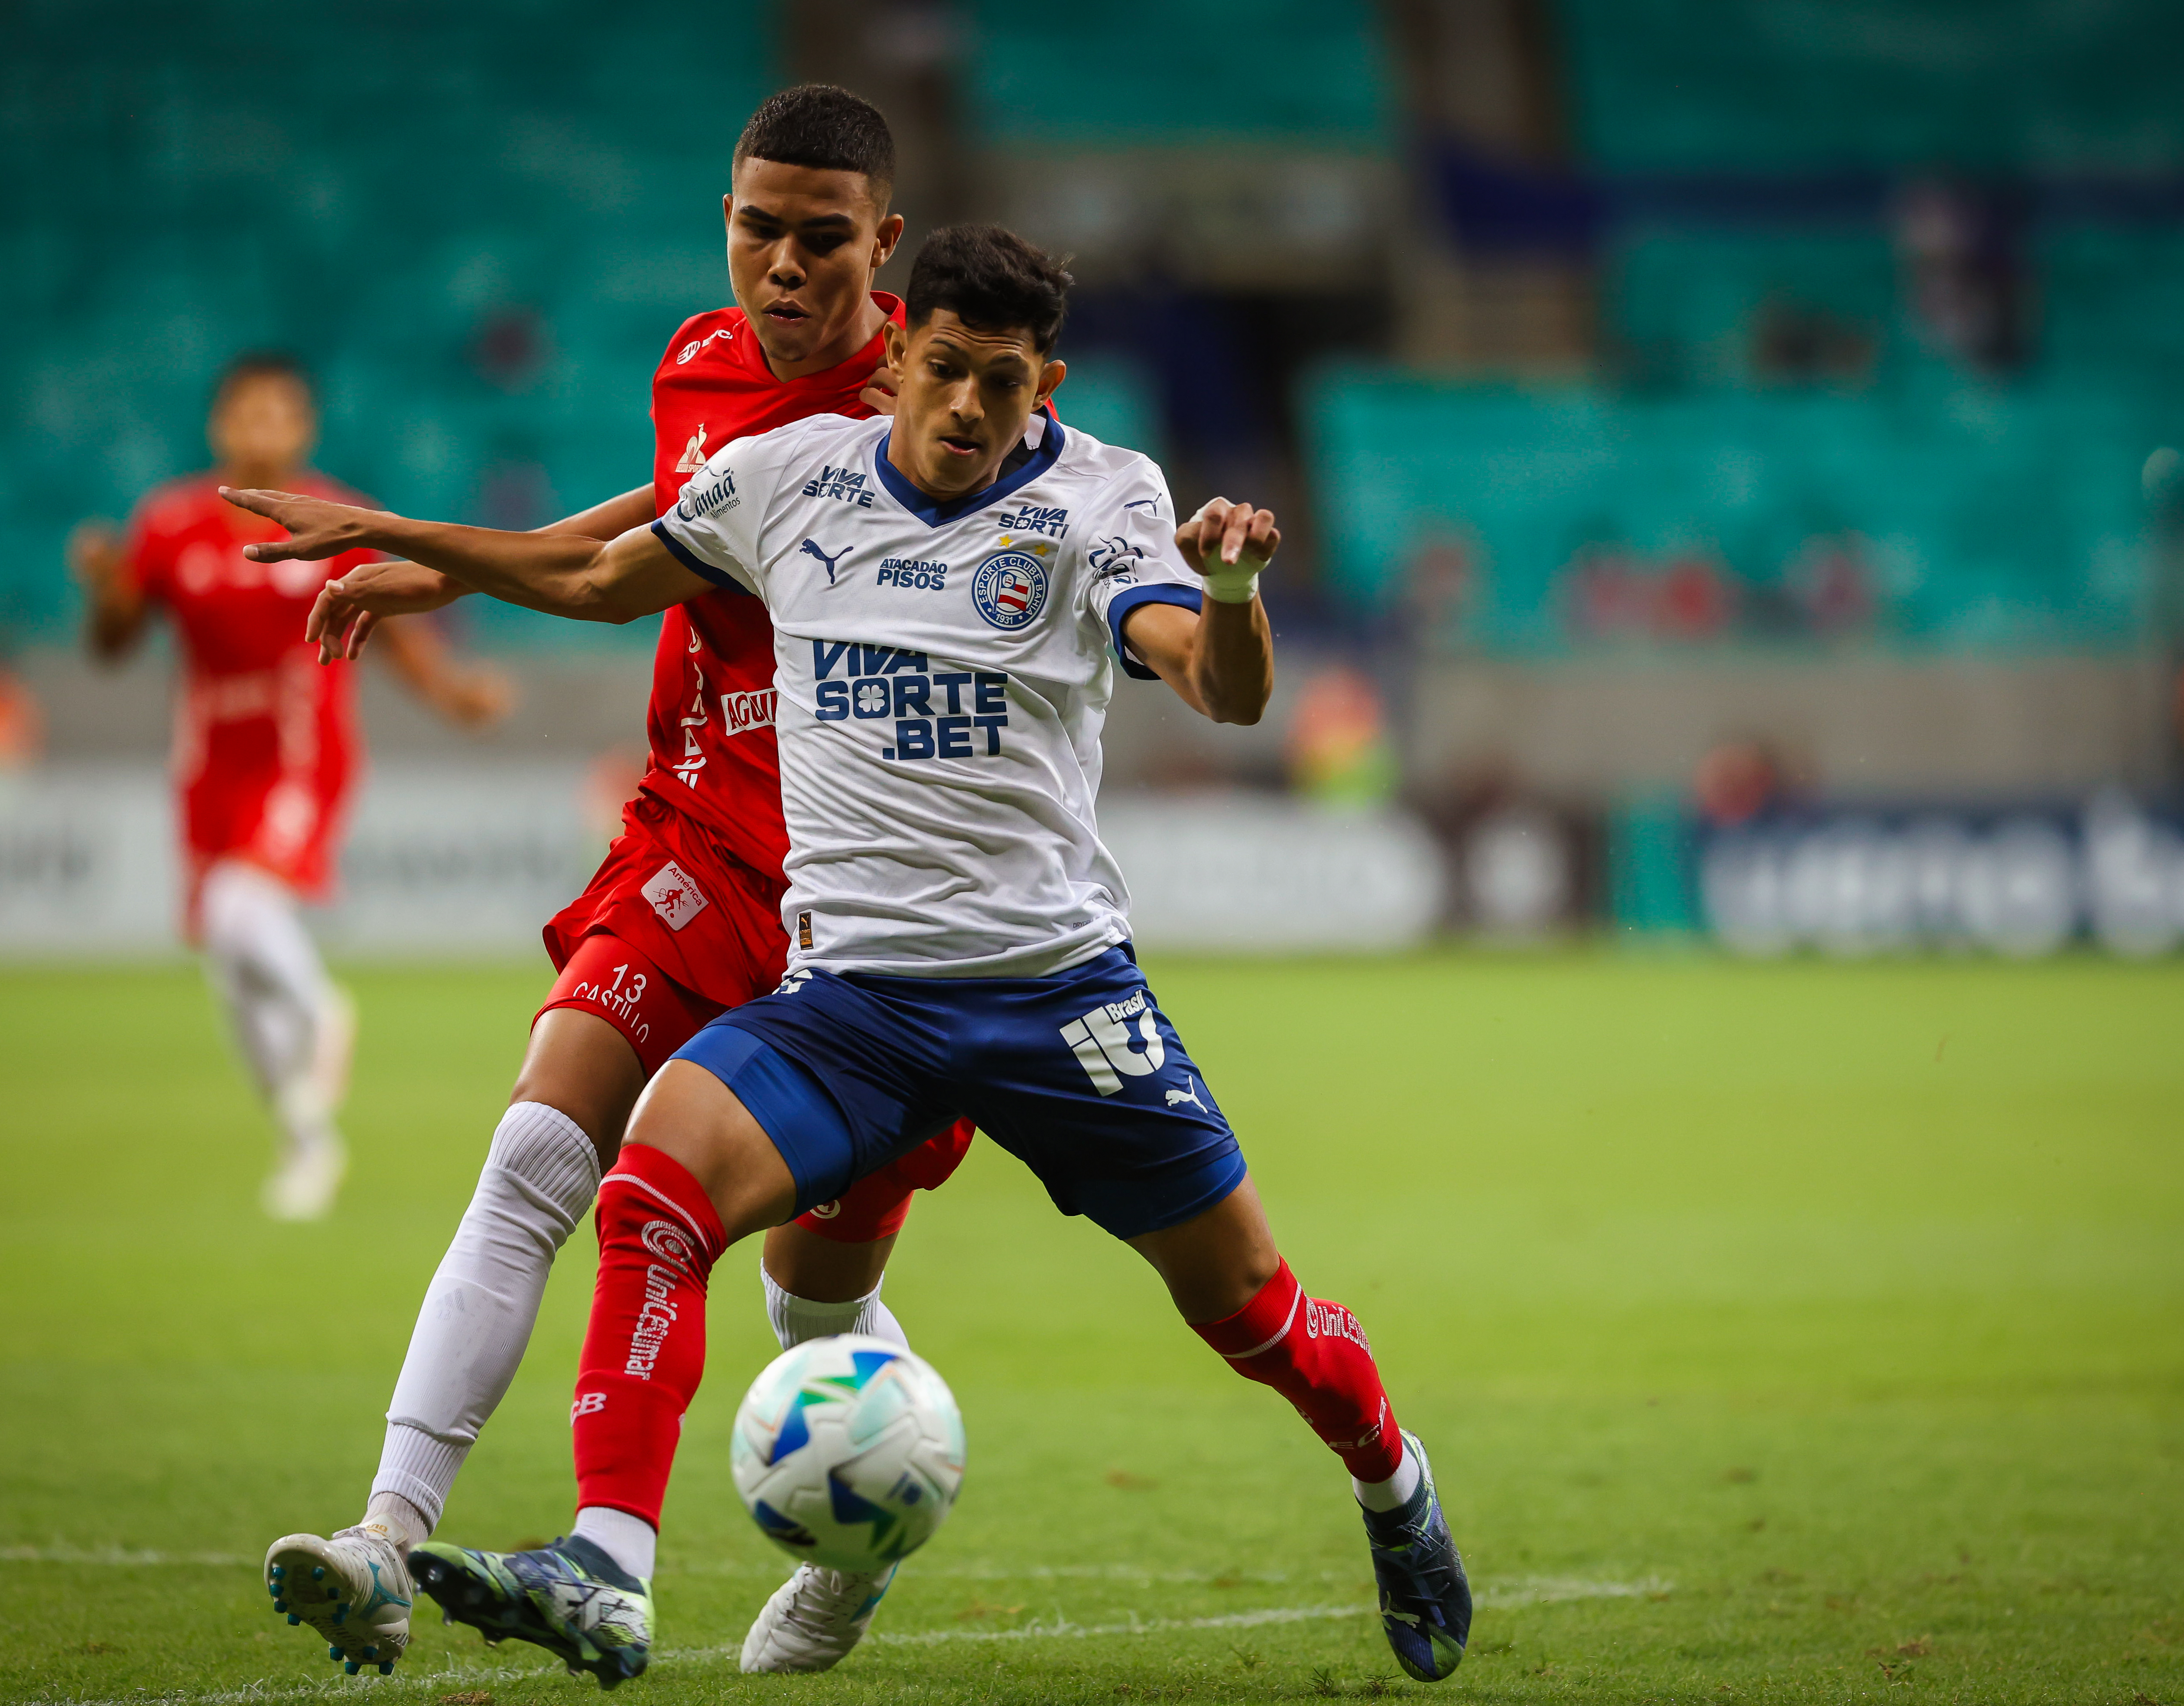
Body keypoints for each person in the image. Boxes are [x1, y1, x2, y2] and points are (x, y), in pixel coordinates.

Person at [233, 222, 1475, 1689]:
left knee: (1250, 1309)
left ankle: (1394, 1484)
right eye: (945, 369)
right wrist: (402, 541)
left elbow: (1222, 687)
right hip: (852, 1004)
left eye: (1003, 383)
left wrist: (1229, 593)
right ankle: (607, 1564)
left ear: (1045, 386)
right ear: (897, 360)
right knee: (648, 1187)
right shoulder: (784, 480)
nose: (968, 406)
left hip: (1055, 998)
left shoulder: (1102, 496)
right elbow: (596, 580)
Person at [255, 85, 979, 1680]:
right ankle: (384, 1537)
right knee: (536, 1148)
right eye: (755, 229)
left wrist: (418, 540)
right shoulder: (699, 357)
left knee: (811, 1312)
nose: (781, 266)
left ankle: (859, 1544)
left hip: (862, 903)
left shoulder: (929, 411)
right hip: (695, 837)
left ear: (885, 244)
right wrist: (441, 567)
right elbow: (668, 508)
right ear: (724, 219)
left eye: (820, 239)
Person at [71, 352, 509, 1222]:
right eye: (247, 413)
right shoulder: (170, 523)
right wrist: (105, 587)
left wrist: (451, 693)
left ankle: (324, 1012)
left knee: (239, 909)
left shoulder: (338, 518)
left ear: (304, 428)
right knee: (231, 968)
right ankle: (306, 1138)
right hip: (207, 764)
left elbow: (392, 622)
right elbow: (114, 642)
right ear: (220, 425)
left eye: (279, 413)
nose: (262, 429)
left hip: (302, 754)